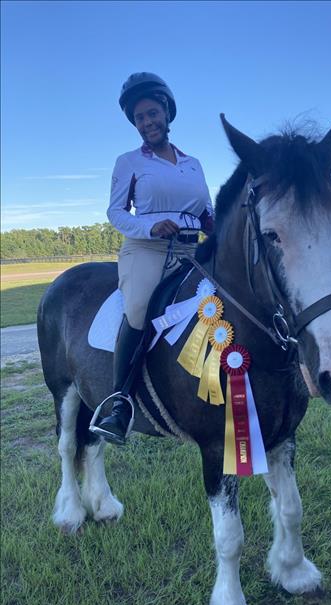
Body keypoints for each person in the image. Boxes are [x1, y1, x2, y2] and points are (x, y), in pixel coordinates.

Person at [90, 72, 214, 445]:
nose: (146, 123)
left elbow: (206, 209)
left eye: (152, 113)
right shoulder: (128, 161)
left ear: (167, 113)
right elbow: (115, 212)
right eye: (139, 118)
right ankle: (120, 402)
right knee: (140, 308)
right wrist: (149, 227)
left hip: (192, 250)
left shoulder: (193, 163)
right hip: (147, 250)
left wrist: (217, 226)